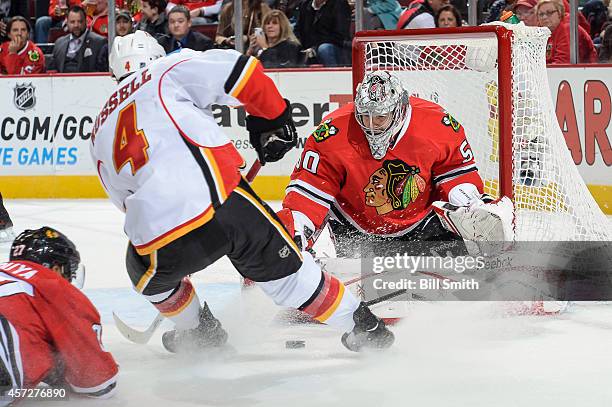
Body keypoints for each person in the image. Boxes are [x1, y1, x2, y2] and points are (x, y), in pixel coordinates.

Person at [90, 31, 394, 353]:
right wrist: (273, 119)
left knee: (147, 278)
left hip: (159, 232)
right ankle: (366, 328)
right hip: (222, 200)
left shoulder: (98, 132)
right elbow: (245, 72)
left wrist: (177, 233)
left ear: (114, 74)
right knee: (289, 276)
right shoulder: (168, 68)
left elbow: (126, 200)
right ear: (156, 54)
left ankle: (199, 330)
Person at [278, 71, 514, 258]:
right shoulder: (331, 133)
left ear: (399, 110)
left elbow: (456, 175)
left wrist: (470, 204)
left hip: (422, 224)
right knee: (296, 232)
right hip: (353, 227)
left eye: (380, 117)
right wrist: (296, 230)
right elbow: (308, 192)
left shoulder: (437, 125)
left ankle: (499, 270)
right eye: (364, 117)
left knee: (479, 217)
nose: (371, 125)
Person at [0, 227, 118, 402]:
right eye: (68, 271)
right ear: (55, 269)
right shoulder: (52, 284)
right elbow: (100, 385)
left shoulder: (8, 276)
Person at [48, 5, 108, 72]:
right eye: (72, 22)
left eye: (80, 22)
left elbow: (102, 72)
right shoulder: (59, 43)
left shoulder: (99, 42)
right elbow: (52, 70)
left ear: (86, 21)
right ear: (67, 22)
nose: (76, 25)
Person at [294, 0, 352, 66]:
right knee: (292, 47)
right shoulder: (304, 4)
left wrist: (314, 49)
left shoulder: (340, 4)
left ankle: (334, 75)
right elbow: (297, 30)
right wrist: (298, 45)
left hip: (336, 46)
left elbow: (339, 35)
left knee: (324, 49)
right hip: (309, 47)